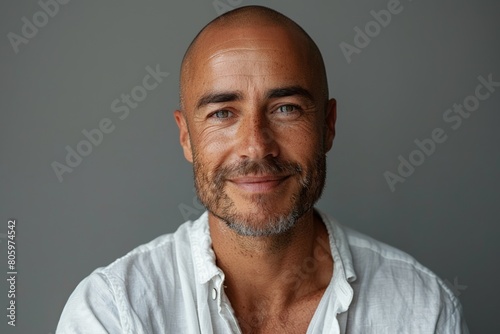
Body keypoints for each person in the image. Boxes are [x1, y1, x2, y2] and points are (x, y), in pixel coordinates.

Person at [56, 5, 469, 333]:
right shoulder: (114, 314)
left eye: (286, 109)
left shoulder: (421, 309)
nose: (256, 145)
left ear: (328, 126)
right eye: (222, 114)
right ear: (186, 137)